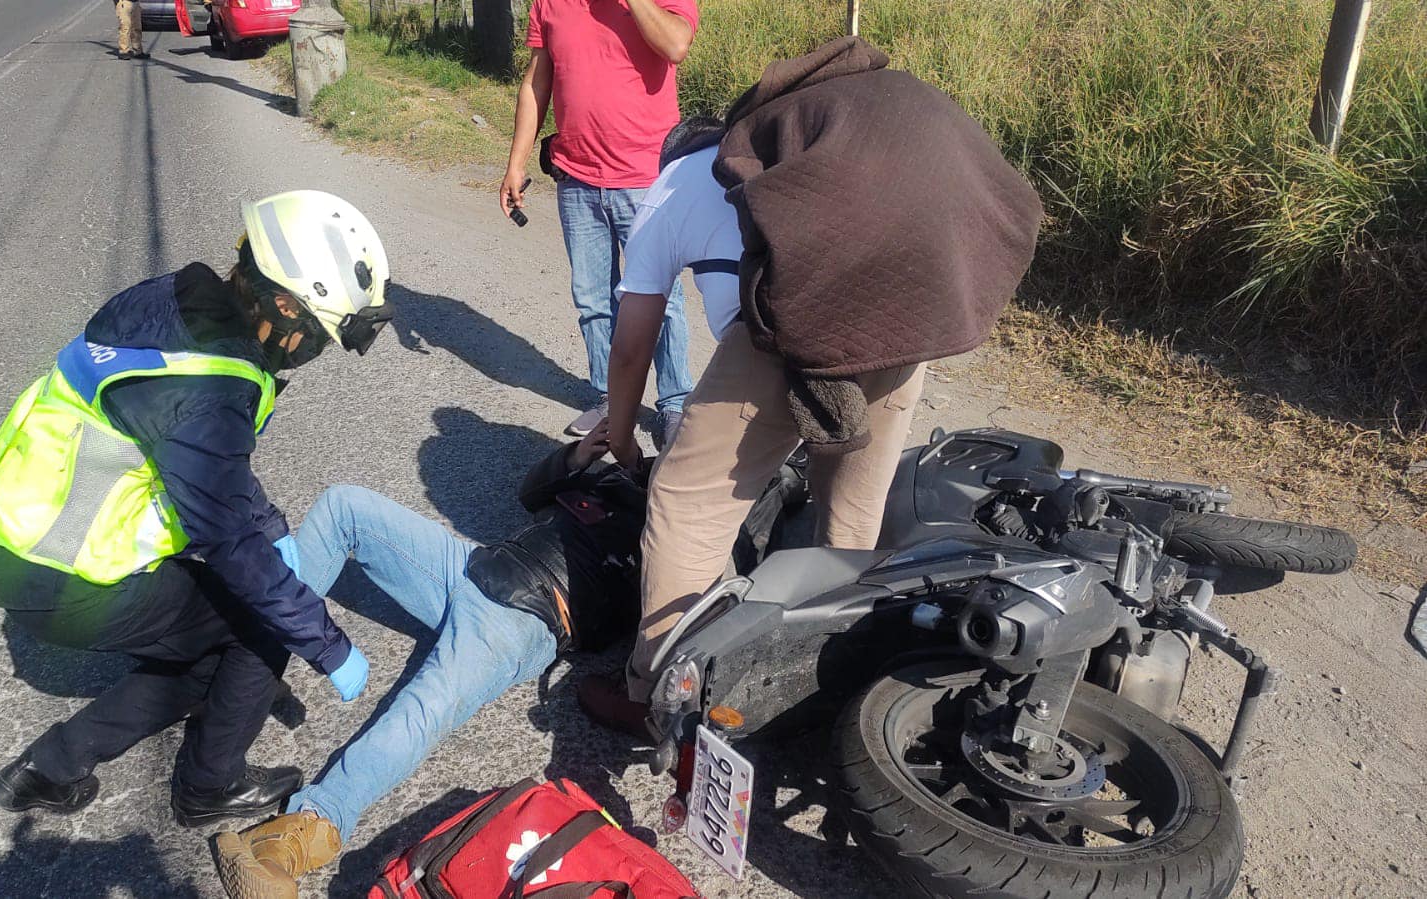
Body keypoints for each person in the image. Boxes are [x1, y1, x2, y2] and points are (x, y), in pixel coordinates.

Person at [578, 38, 1045, 734]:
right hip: (911, 304)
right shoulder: (818, 136)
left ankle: (655, 693)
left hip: (811, 310)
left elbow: (631, 341)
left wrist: (618, 432)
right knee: (851, 506)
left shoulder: (673, 186)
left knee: (687, 502)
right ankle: (834, 676)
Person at [209, 428, 802, 898]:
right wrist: (576, 458)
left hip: (523, 621)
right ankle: (254, 639)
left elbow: (694, 632)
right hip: (470, 566)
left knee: (423, 710)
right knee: (346, 507)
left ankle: (299, 836)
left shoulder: (695, 550)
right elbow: (531, 493)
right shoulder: (628, 481)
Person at [0, 190, 395, 827]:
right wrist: (326, 640)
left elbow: (204, 468)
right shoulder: (212, 386)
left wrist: (270, 524)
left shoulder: (176, 301)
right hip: (65, 574)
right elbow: (227, 538)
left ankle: (49, 768)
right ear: (285, 305)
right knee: (262, 623)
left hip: (25, 533)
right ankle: (208, 787)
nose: (310, 354)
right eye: (315, 336)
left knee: (215, 645)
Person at [500, 0, 699, 447]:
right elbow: (536, 80)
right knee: (593, 299)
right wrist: (515, 162)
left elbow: (676, 44)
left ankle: (674, 403)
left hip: (647, 178)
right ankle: (612, 399)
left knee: (662, 301)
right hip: (577, 177)